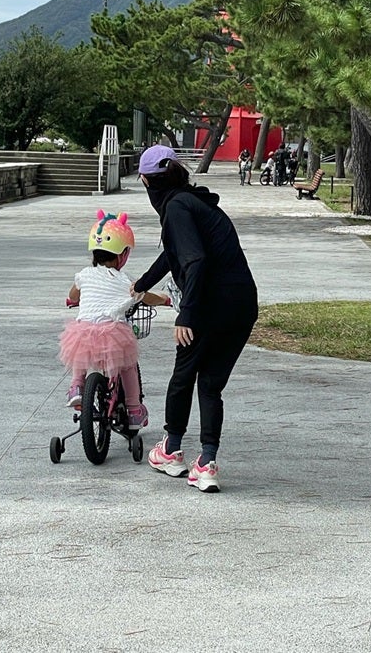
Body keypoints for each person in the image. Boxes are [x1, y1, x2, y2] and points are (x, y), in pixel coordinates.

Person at [134, 145, 258, 492]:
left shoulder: (175, 207)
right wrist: (141, 285)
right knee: (210, 384)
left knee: (184, 375)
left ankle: (171, 451)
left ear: (147, 181)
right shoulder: (194, 202)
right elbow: (174, 253)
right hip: (243, 306)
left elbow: (195, 260)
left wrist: (186, 315)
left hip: (209, 305)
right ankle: (207, 463)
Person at [59, 209, 167, 431]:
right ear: (122, 255)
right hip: (112, 333)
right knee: (127, 364)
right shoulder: (124, 281)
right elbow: (145, 296)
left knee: (79, 353)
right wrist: (164, 300)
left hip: (85, 329)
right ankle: (134, 409)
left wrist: (73, 301)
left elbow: (73, 295)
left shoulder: (85, 275)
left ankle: (77, 388)